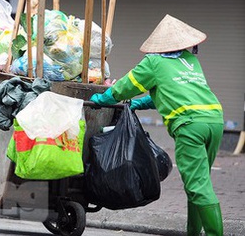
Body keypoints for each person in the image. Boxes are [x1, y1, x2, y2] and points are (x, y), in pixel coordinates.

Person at [90, 14, 224, 236]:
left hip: (190, 126)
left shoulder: (154, 62)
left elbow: (124, 88)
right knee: (200, 184)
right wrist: (139, 104)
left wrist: (101, 100)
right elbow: (172, 93)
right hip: (214, 121)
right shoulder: (191, 61)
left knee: (198, 187)